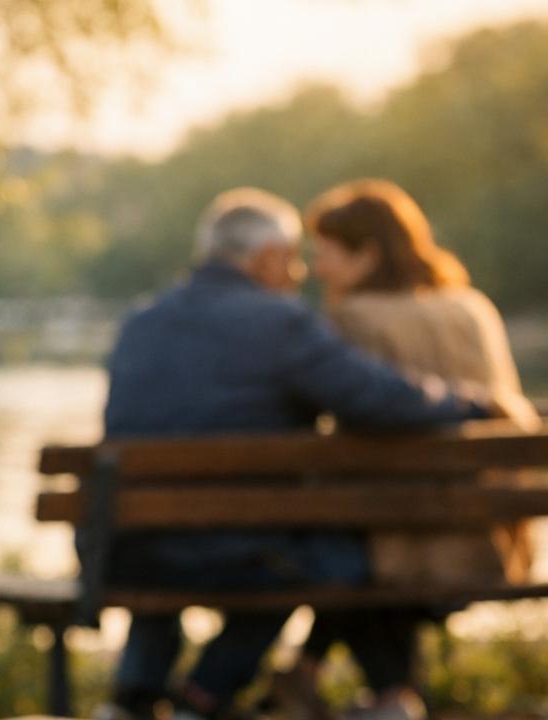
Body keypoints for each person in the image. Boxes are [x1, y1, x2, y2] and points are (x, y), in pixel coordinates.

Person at [89, 188, 488, 720]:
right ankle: (205, 694)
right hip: (245, 555)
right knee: (323, 556)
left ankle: (133, 698)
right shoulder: (282, 324)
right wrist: (473, 405)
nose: (300, 273)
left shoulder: (140, 324)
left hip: (129, 551)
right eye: (294, 258)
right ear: (267, 258)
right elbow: (380, 399)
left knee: (189, 537)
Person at [278, 179, 541, 720]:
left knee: (344, 536)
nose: (318, 269)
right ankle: (346, 683)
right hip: (489, 542)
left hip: (400, 544)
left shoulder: (354, 319)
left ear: (367, 253)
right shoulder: (472, 308)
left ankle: (381, 693)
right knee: (374, 522)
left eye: (325, 254)